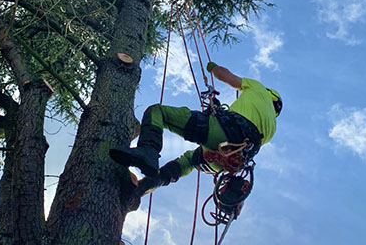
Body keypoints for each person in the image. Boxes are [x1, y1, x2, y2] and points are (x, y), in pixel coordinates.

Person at [109, 61, 282, 194]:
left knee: (158, 112)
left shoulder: (259, 89)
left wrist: (213, 68)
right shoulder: (272, 128)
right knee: (190, 161)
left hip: (221, 130)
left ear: (270, 94)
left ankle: (148, 150)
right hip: (226, 161)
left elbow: (226, 76)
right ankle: (142, 187)